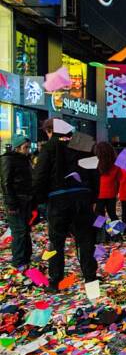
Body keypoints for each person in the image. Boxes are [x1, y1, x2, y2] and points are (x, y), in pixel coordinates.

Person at [32, 119, 98, 292]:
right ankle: (90, 278)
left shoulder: (49, 147)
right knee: (85, 239)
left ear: (50, 131)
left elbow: (40, 175)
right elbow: (94, 172)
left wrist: (39, 200)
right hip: (82, 197)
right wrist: (93, 197)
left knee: (57, 242)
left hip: (58, 198)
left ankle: (56, 281)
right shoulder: (83, 144)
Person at [1, 135, 34, 270]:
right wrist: (11, 203)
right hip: (16, 200)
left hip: (25, 199)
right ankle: (19, 261)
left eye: (28, 147)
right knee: (20, 230)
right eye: (25, 147)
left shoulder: (24, 159)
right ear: (17, 147)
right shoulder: (8, 159)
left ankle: (25, 259)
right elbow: (6, 183)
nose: (28, 150)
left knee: (24, 230)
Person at [94, 142, 121, 242]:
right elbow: (118, 179)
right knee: (113, 214)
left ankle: (101, 236)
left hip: (98, 193)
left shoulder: (95, 165)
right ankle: (117, 236)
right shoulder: (115, 165)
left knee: (99, 216)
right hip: (111, 193)